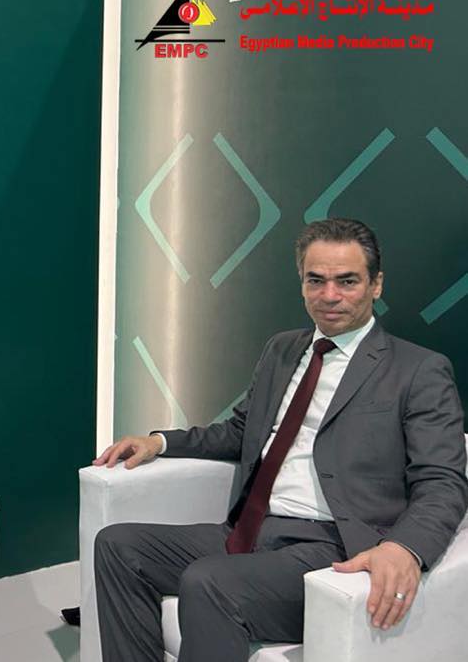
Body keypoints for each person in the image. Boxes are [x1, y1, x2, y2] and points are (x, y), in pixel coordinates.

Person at [92, 218, 468, 662]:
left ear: (376, 284)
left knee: (208, 582)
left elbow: (443, 482)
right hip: (250, 530)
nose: (329, 295)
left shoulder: (418, 370)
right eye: (316, 280)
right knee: (117, 546)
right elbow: (240, 432)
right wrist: (161, 442)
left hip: (331, 547)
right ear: (302, 283)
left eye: (347, 281)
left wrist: (404, 548)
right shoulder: (282, 350)